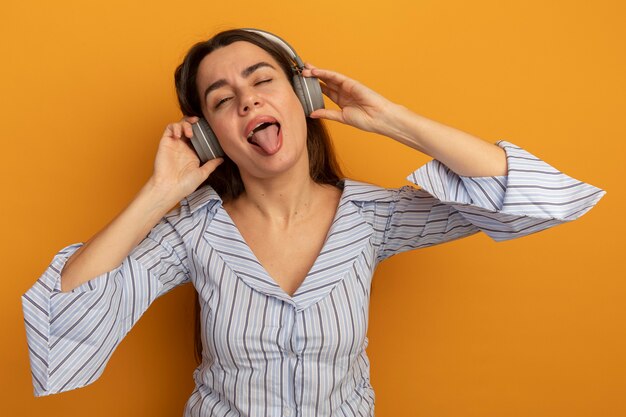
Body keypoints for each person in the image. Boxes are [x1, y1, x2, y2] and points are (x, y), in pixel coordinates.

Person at [22, 28, 605, 417]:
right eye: (222, 100)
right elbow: (59, 323)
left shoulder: (372, 218)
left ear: (302, 95)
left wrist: (391, 120)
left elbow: (530, 195)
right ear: (209, 133)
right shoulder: (192, 231)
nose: (247, 101)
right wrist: (160, 193)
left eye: (262, 79)